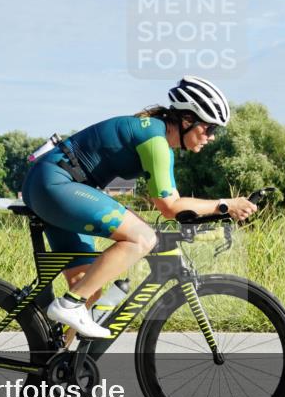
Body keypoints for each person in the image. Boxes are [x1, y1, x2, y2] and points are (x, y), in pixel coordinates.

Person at [20, 76, 259, 340]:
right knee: (142, 237)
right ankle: (67, 305)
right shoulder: (154, 140)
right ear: (187, 120)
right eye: (210, 129)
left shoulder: (156, 137)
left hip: (51, 186)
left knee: (87, 287)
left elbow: (177, 205)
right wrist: (227, 204)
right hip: (54, 184)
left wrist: (218, 212)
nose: (212, 137)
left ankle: (56, 366)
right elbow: (169, 207)